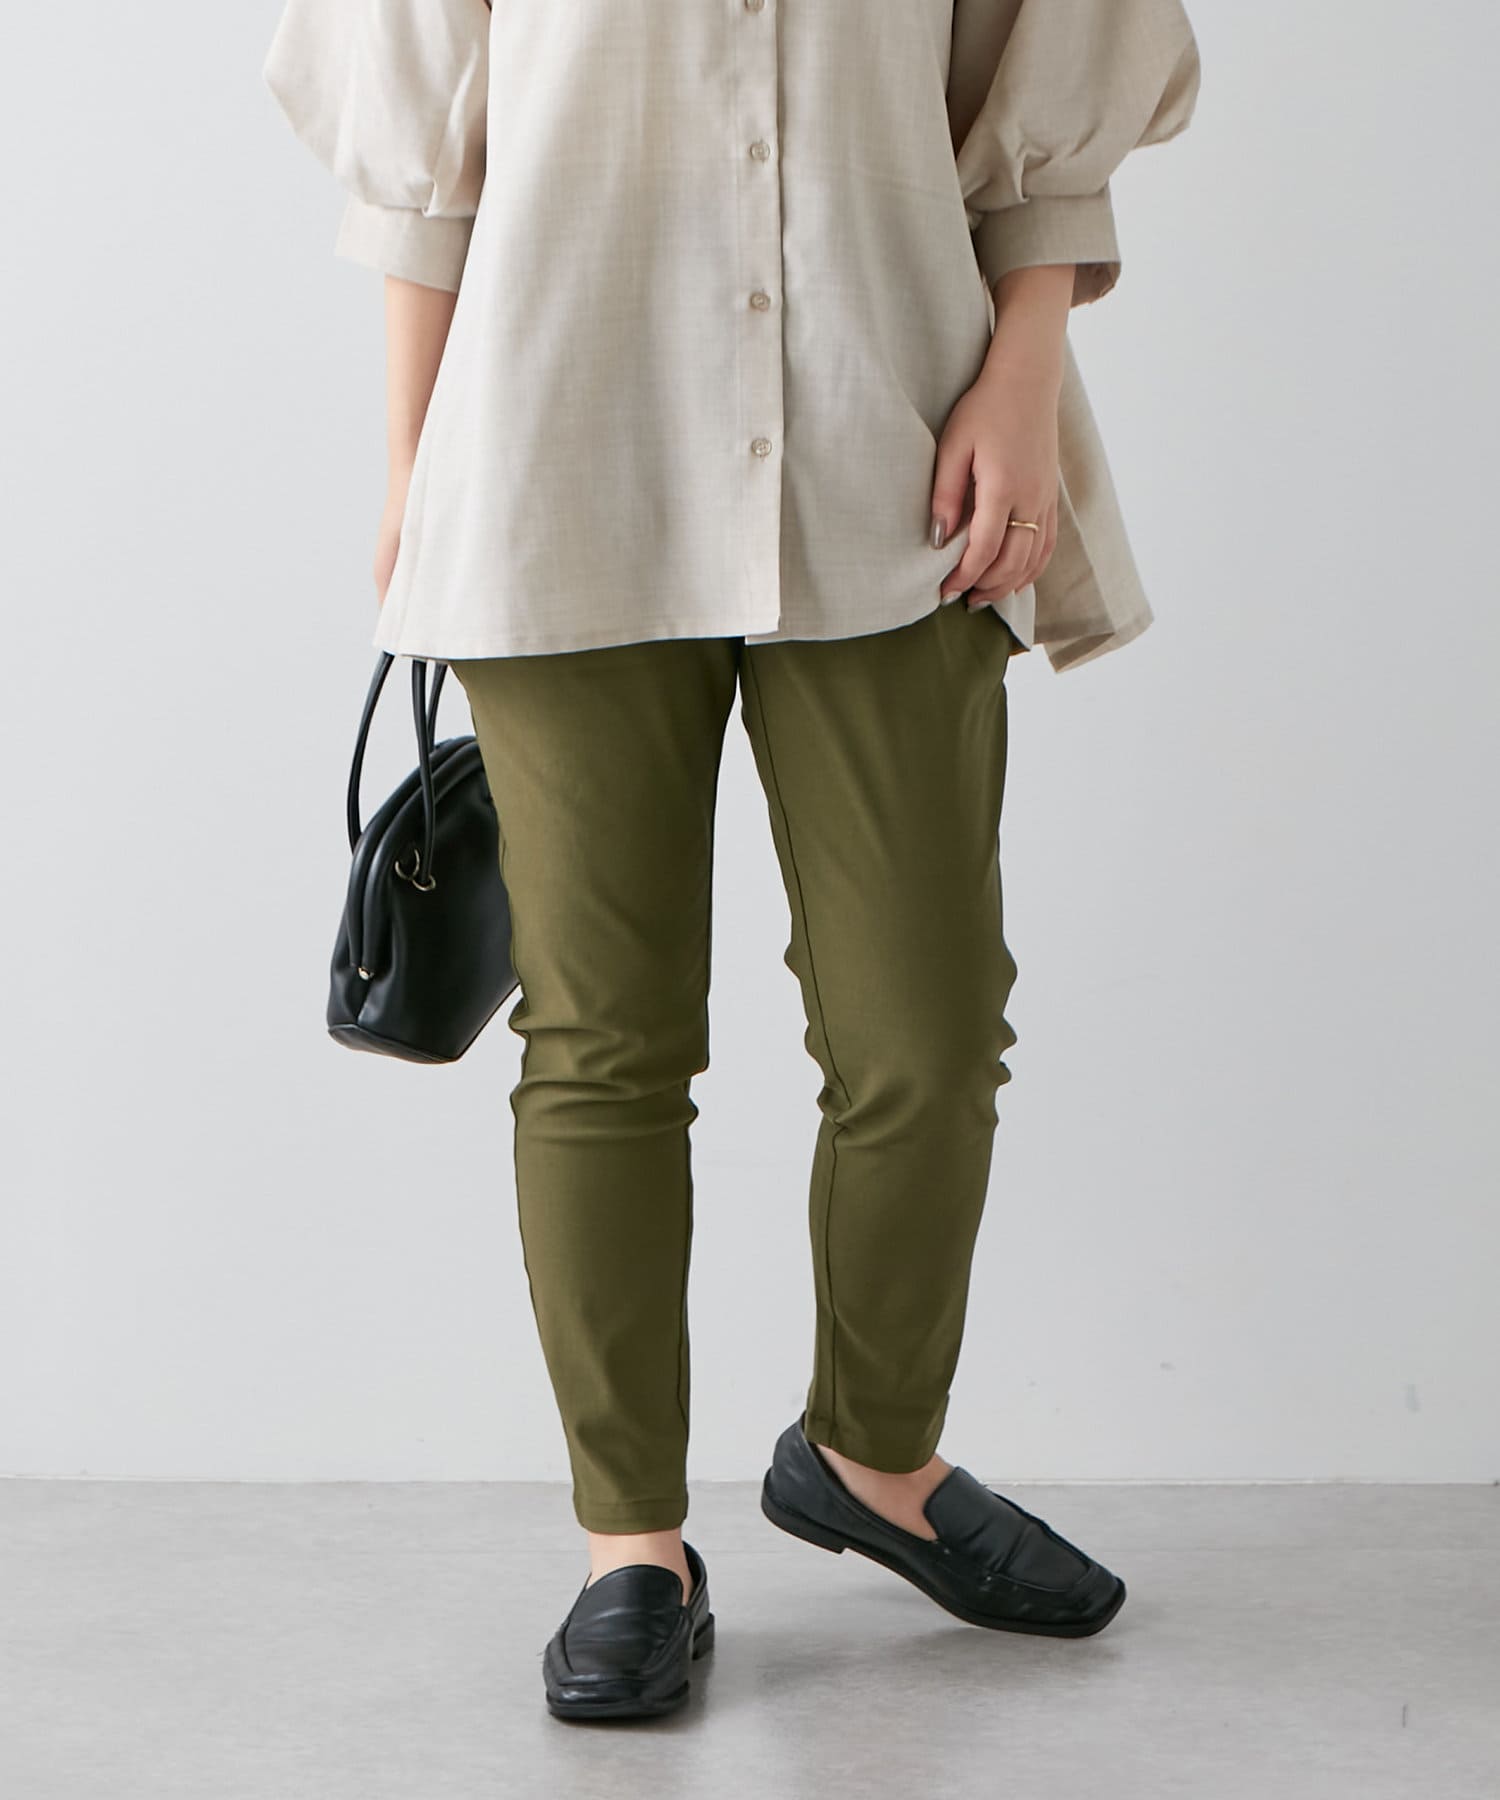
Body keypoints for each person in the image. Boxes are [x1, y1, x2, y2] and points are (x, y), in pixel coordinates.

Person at [264, 0, 1201, 1723]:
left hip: (895, 452)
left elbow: (1050, 75)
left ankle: (875, 1456)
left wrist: (1022, 375)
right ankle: (631, 1548)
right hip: (557, 451)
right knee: (602, 1039)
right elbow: (418, 145)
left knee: (927, 1035)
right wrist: (412, 471)